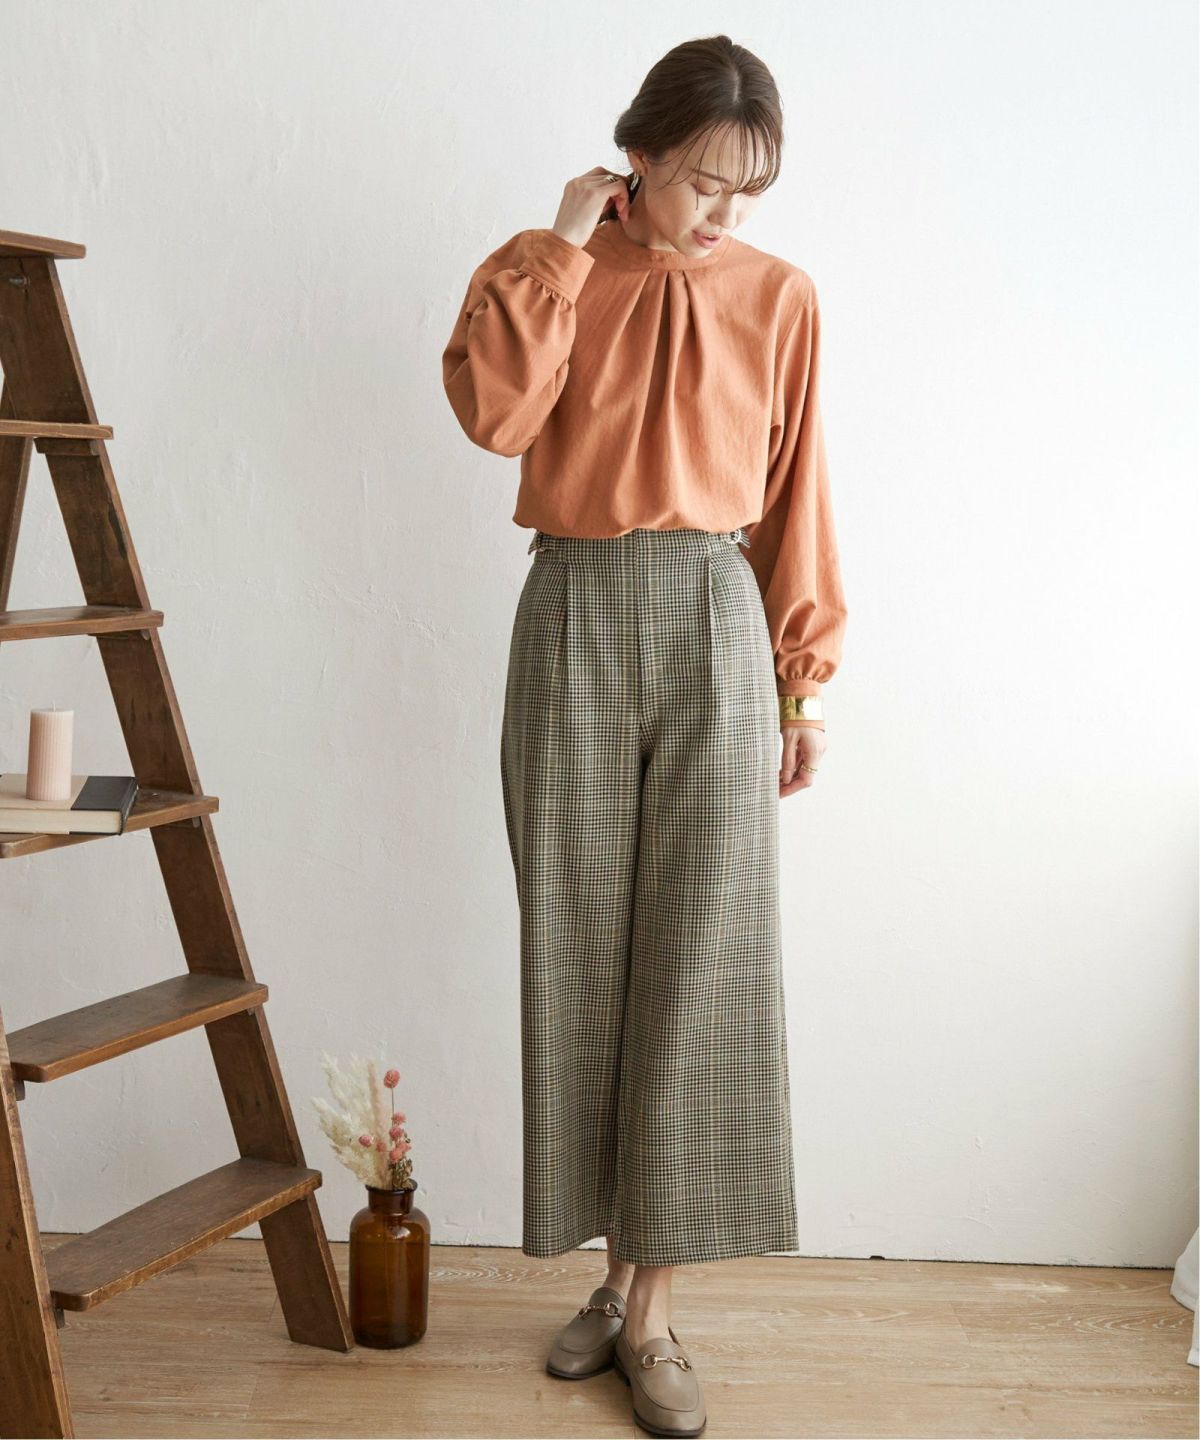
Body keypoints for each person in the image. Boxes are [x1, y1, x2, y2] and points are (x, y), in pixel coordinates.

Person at [442, 33, 847, 1438]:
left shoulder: (781, 298)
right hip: (573, 608)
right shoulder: (556, 273)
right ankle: (608, 1289)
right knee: (577, 952)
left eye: (747, 190)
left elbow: (799, 492)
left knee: (699, 960)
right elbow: (495, 416)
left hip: (717, 622)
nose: (722, 213)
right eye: (699, 182)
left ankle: (656, 1310)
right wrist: (562, 245)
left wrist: (801, 685)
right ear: (638, 157)